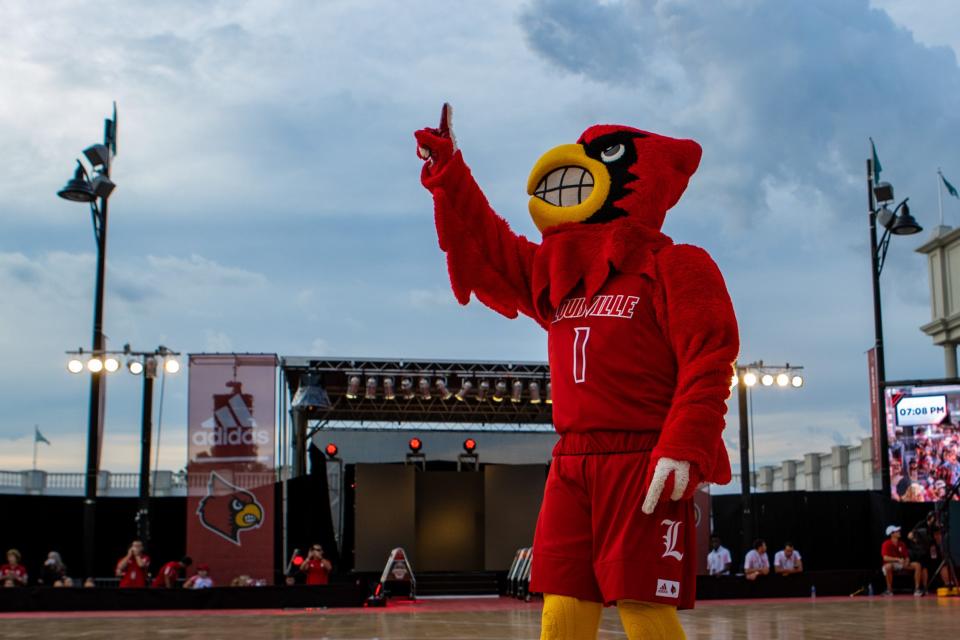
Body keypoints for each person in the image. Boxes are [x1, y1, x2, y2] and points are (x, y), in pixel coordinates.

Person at [416, 103, 738, 638]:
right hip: (571, 459)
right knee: (562, 605)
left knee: (642, 606)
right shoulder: (559, 271)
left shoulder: (676, 265)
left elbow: (711, 357)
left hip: (642, 459)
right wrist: (450, 171)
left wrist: (684, 443)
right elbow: (490, 245)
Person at [881, 524, 926, 596]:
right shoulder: (886, 544)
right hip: (891, 564)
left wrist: (907, 561)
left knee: (917, 565)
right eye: (897, 531)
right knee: (887, 567)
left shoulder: (902, 544)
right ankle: (889, 590)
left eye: (898, 531)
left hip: (902, 564)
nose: (899, 532)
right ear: (892, 534)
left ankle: (917, 589)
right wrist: (897, 559)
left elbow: (906, 556)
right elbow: (885, 558)